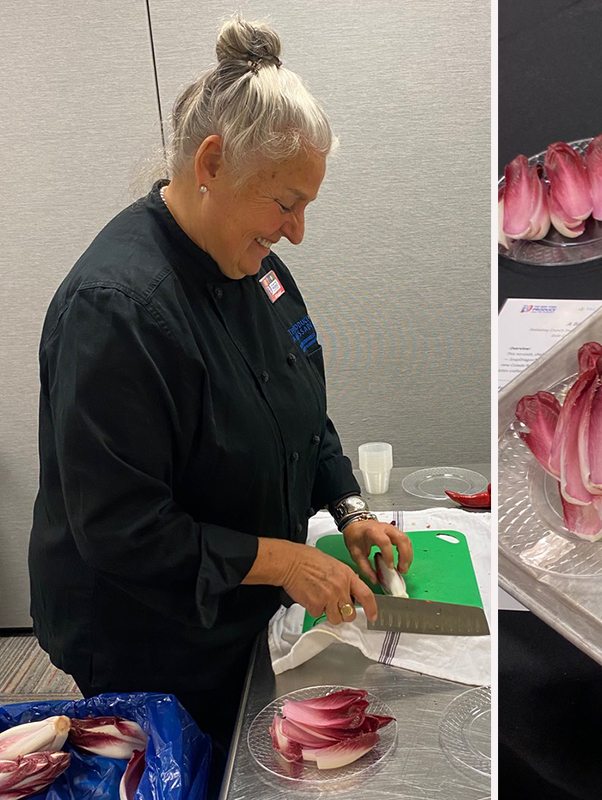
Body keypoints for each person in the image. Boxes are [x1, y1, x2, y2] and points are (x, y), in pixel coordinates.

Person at [27, 16, 413, 778]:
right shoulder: (117, 311)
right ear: (211, 163)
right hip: (148, 633)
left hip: (239, 607)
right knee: (189, 771)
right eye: (286, 203)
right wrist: (283, 561)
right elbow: (124, 530)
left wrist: (348, 508)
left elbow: (300, 407)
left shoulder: (255, 267)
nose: (297, 232)